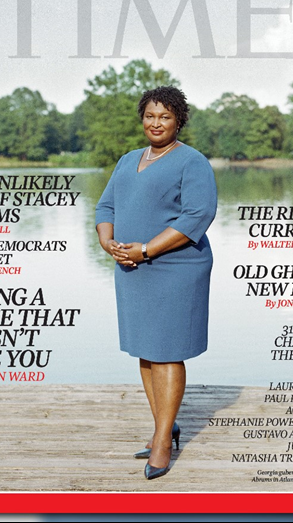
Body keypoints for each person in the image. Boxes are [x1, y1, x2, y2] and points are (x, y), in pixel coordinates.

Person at [94, 85, 218, 481]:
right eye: (150, 116)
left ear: (179, 120)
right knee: (146, 350)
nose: (156, 123)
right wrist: (106, 238)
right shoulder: (128, 159)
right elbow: (106, 205)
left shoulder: (191, 162)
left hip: (175, 267)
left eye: (165, 116)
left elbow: (196, 216)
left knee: (167, 350)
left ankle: (162, 441)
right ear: (142, 119)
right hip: (132, 267)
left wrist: (146, 249)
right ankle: (166, 425)